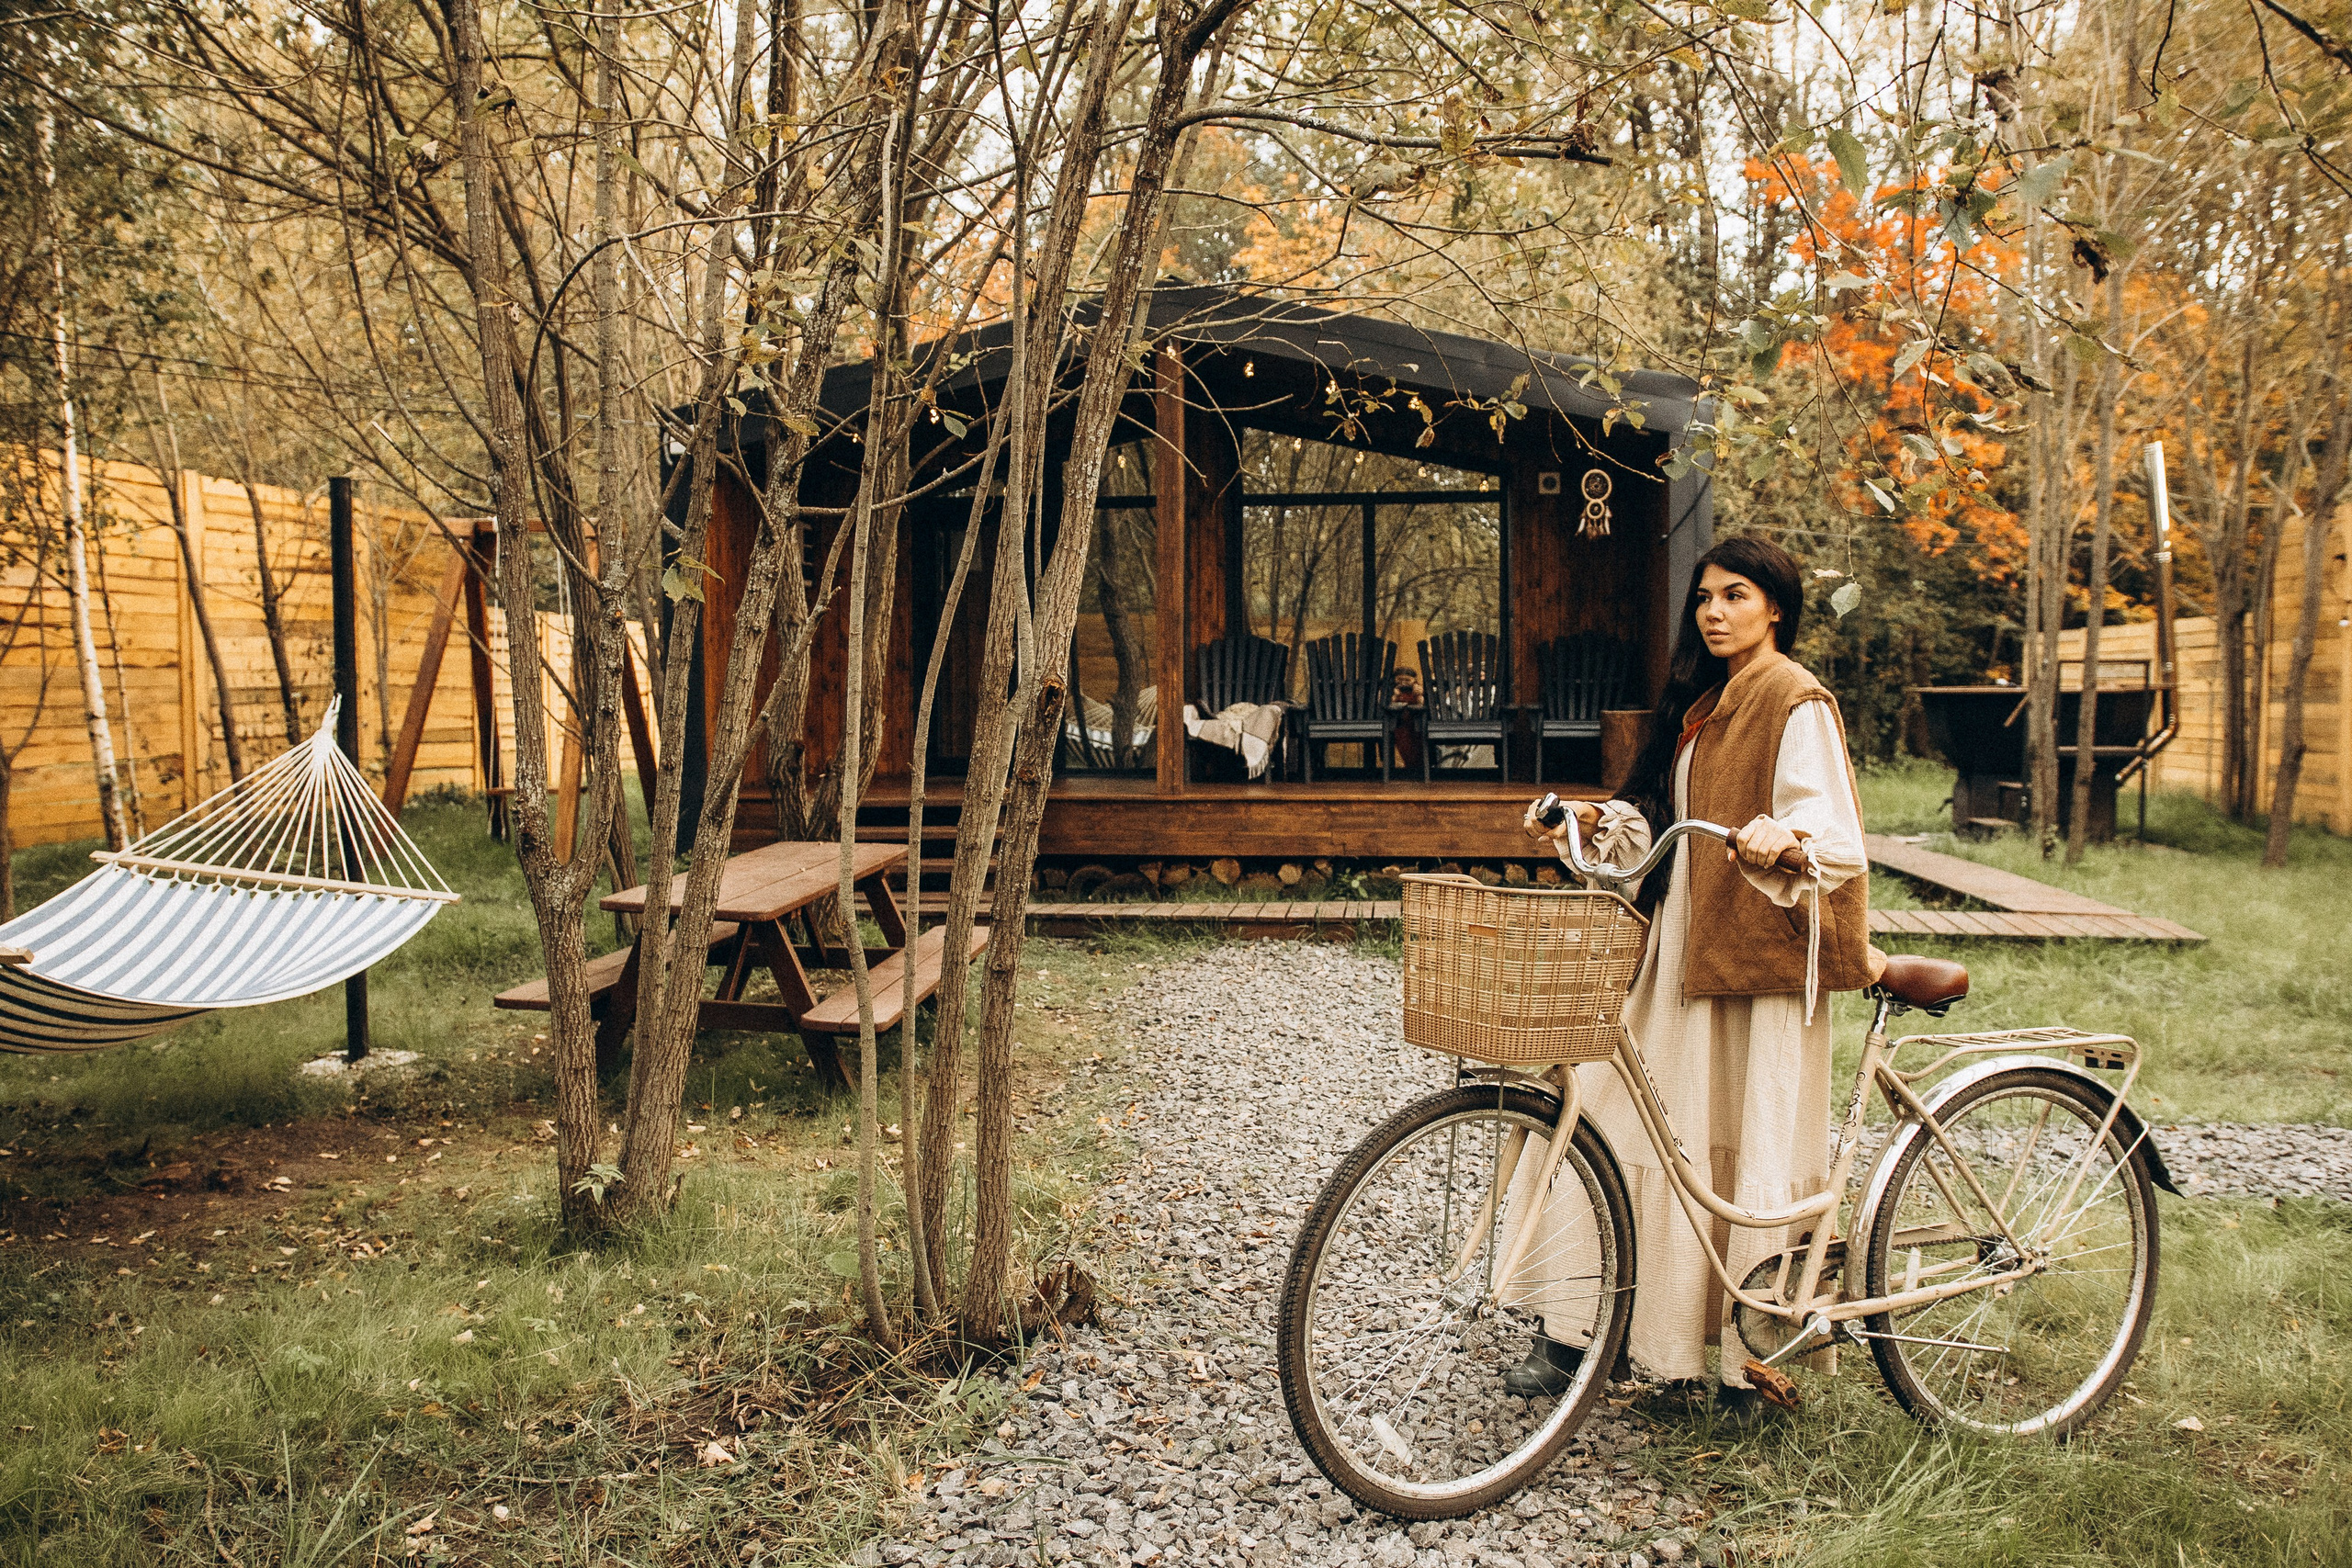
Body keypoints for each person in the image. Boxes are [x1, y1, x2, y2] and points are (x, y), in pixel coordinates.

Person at [1506, 535, 1873, 1420]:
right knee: (1611, 1115)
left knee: (1738, 1144)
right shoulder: (1703, 704)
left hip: (1753, 965)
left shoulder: (1796, 700)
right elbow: (1659, 822)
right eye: (1704, 597)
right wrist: (1591, 821)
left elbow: (1836, 837)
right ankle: (1585, 1326)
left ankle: (1742, 1364)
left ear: (1774, 606)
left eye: (1734, 595)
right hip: (1680, 946)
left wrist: (1786, 838)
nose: (1713, 611)